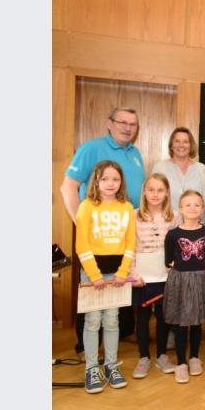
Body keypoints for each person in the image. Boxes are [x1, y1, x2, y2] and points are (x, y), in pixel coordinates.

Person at [61, 107, 144, 354]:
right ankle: (87, 349)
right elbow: (68, 188)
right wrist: (85, 226)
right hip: (96, 239)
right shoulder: (91, 148)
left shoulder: (135, 152)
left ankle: (112, 350)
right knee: (92, 301)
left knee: (115, 305)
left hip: (123, 238)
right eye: (122, 122)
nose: (128, 127)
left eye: (133, 124)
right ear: (109, 123)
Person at [75, 161, 135, 393]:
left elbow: (131, 242)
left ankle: (111, 365)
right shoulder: (87, 206)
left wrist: (123, 272)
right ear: (97, 181)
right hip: (93, 273)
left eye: (115, 179)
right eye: (105, 179)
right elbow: (82, 244)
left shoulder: (126, 207)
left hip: (117, 273)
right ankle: (92, 368)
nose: (110, 184)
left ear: (121, 182)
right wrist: (94, 275)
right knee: (92, 321)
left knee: (112, 319)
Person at [162, 190, 205, 384]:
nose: (193, 208)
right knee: (181, 323)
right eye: (188, 205)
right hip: (181, 280)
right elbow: (168, 260)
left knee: (196, 321)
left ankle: (194, 357)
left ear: (203, 208)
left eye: (197, 205)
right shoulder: (173, 234)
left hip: (201, 279)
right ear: (180, 209)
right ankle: (181, 363)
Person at [130, 174, 178, 379]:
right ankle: (143, 357)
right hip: (142, 275)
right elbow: (129, 246)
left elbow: (177, 247)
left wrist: (175, 271)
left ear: (167, 192)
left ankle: (161, 355)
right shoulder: (134, 215)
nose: (155, 194)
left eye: (160, 190)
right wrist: (132, 274)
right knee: (142, 317)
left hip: (165, 275)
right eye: (151, 190)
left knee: (163, 316)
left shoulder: (175, 216)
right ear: (144, 192)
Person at [152, 127, 205, 223]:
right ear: (171, 145)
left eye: (185, 142)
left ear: (191, 145)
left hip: (195, 227)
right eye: (177, 141)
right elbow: (152, 198)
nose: (181, 145)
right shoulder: (160, 168)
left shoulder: (202, 169)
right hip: (166, 227)